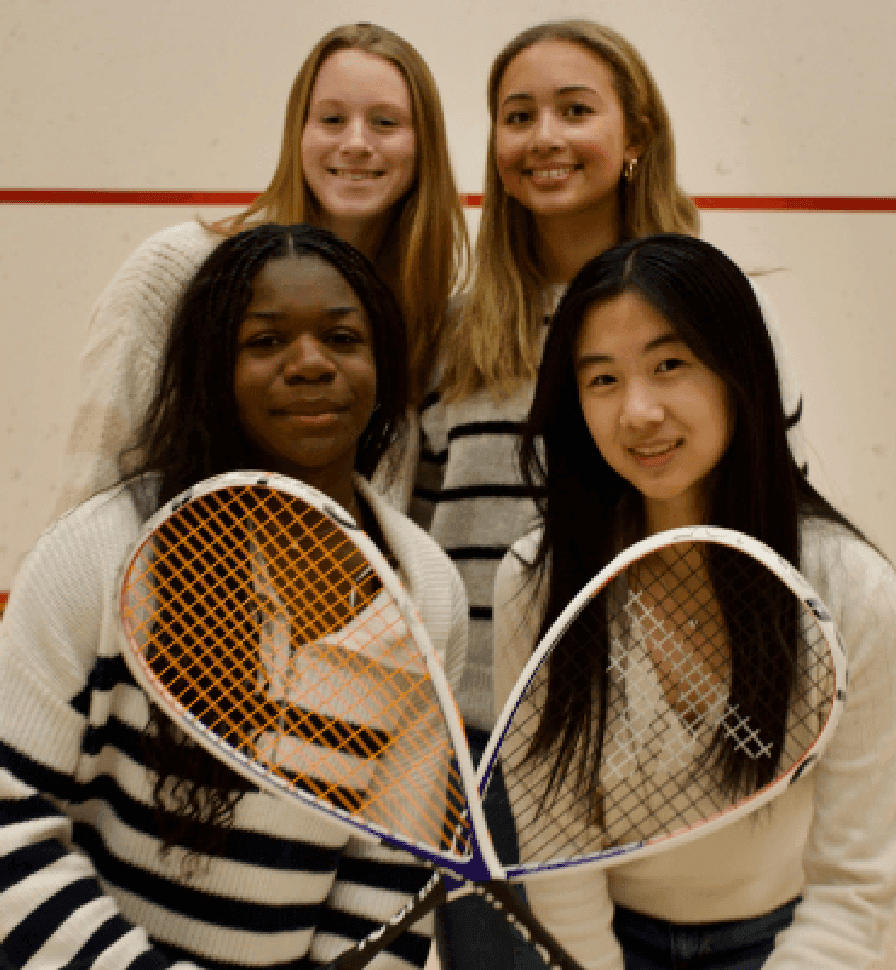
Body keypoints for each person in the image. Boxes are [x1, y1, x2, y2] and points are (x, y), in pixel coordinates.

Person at [410, 21, 800, 968]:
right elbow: (414, 537)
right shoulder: (452, 332)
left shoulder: (725, 312)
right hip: (482, 751)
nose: (544, 136)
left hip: (656, 748)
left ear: (636, 136)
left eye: (575, 110)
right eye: (518, 116)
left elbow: (773, 519)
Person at [0, 224, 468, 970]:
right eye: (265, 341)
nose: (310, 363)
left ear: (383, 365)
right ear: (215, 371)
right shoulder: (101, 551)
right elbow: (10, 829)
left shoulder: (427, 592)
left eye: (343, 338)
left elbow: (388, 877)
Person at [493, 233, 896, 970]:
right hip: (601, 944)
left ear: (741, 372)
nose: (638, 411)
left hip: (792, 942)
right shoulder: (535, 580)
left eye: (670, 365)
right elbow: (557, 854)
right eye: (603, 379)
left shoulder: (855, 591)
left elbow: (856, 886)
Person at [55, 22, 468, 517]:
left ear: (423, 146)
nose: (356, 143)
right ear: (299, 133)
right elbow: (91, 494)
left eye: (385, 122)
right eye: (332, 119)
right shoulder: (177, 268)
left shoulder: (414, 313)